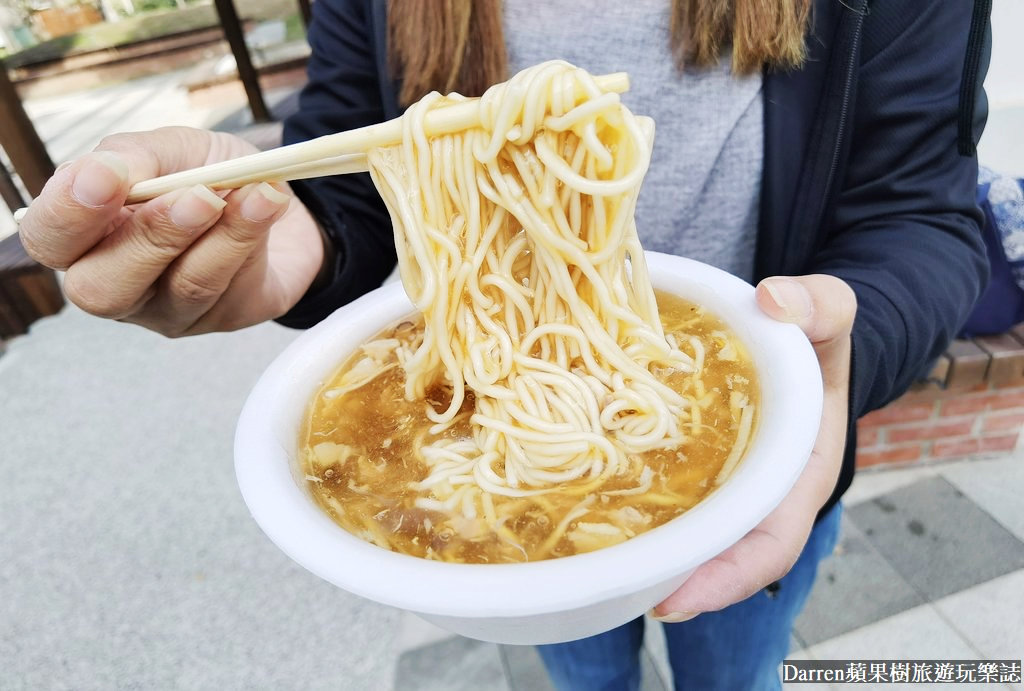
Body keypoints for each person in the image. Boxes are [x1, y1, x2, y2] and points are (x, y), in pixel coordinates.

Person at [18, 0, 990, 688]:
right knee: (582, 670)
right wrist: (289, 236)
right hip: (492, 474)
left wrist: (850, 335)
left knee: (735, 670)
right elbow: (352, 168)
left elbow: (925, 215)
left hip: (765, 461)